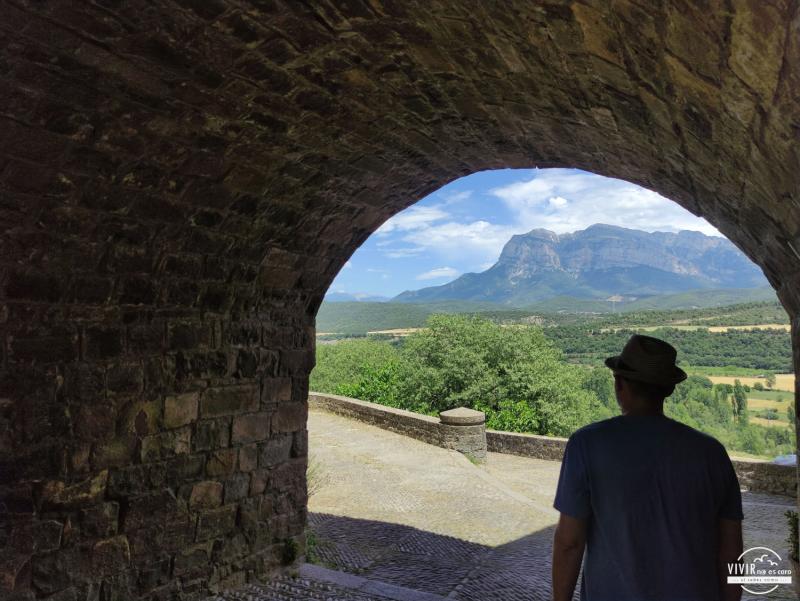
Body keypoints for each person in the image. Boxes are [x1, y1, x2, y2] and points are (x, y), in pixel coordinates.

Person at [551, 334, 744, 601]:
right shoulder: (712, 454)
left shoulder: (587, 445)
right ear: (669, 389)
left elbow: (569, 543)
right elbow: (731, 550)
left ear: (619, 384)